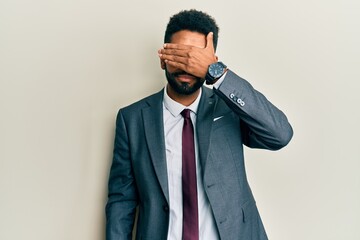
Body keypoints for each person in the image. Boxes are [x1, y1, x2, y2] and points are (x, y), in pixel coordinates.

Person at [106, 9, 293, 240]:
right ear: (163, 58)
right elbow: (121, 199)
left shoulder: (229, 109)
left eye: (195, 57)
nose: (187, 66)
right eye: (180, 55)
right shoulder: (132, 119)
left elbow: (280, 135)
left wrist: (219, 74)